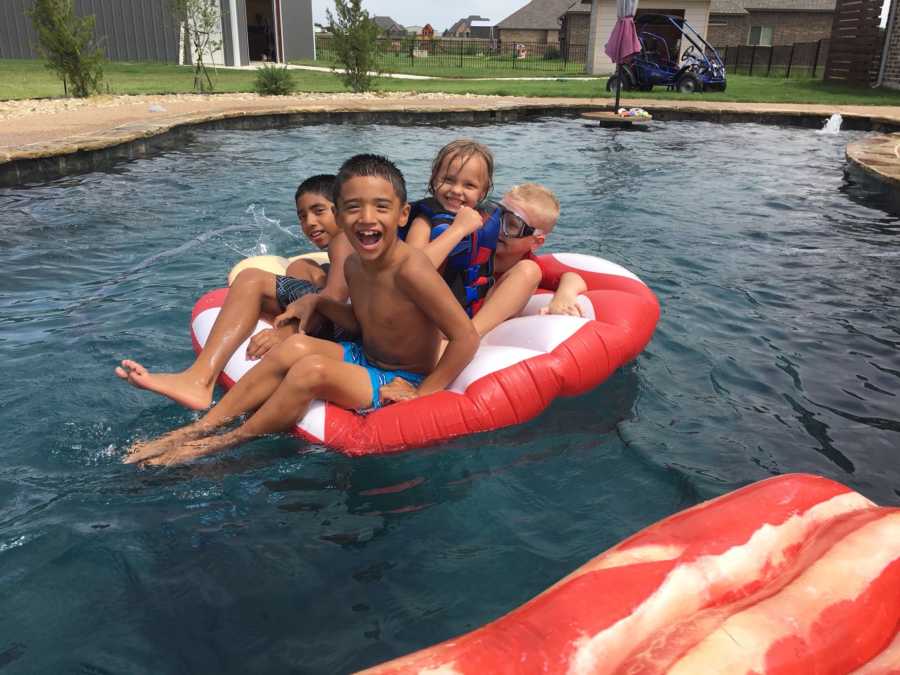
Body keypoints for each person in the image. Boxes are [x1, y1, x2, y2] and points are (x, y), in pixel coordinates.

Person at [124, 154, 480, 466]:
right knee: (292, 347)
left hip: (402, 375)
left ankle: (223, 442)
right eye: (353, 207)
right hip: (364, 355)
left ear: (403, 215)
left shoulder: (412, 269)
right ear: (339, 216)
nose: (366, 218)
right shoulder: (356, 265)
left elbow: (465, 337)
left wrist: (422, 394)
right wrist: (320, 302)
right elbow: (363, 323)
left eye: (381, 207)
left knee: (310, 370)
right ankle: (201, 426)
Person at [115, 174, 353, 410]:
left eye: (319, 211)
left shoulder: (343, 240)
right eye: (302, 216)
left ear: (342, 211)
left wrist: (288, 332)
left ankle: (199, 379)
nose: (309, 222)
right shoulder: (350, 246)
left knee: (251, 280)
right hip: (351, 320)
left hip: (349, 329)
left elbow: (334, 300)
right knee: (302, 267)